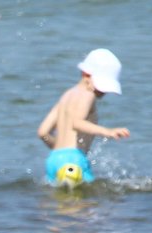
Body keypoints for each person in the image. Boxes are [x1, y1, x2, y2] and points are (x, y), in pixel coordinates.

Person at [37, 48, 130, 184]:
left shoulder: (67, 95)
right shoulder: (88, 95)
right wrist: (107, 132)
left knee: (59, 201)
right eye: (102, 86)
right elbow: (77, 123)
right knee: (87, 202)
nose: (104, 92)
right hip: (74, 160)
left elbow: (42, 132)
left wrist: (60, 152)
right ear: (86, 74)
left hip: (54, 159)